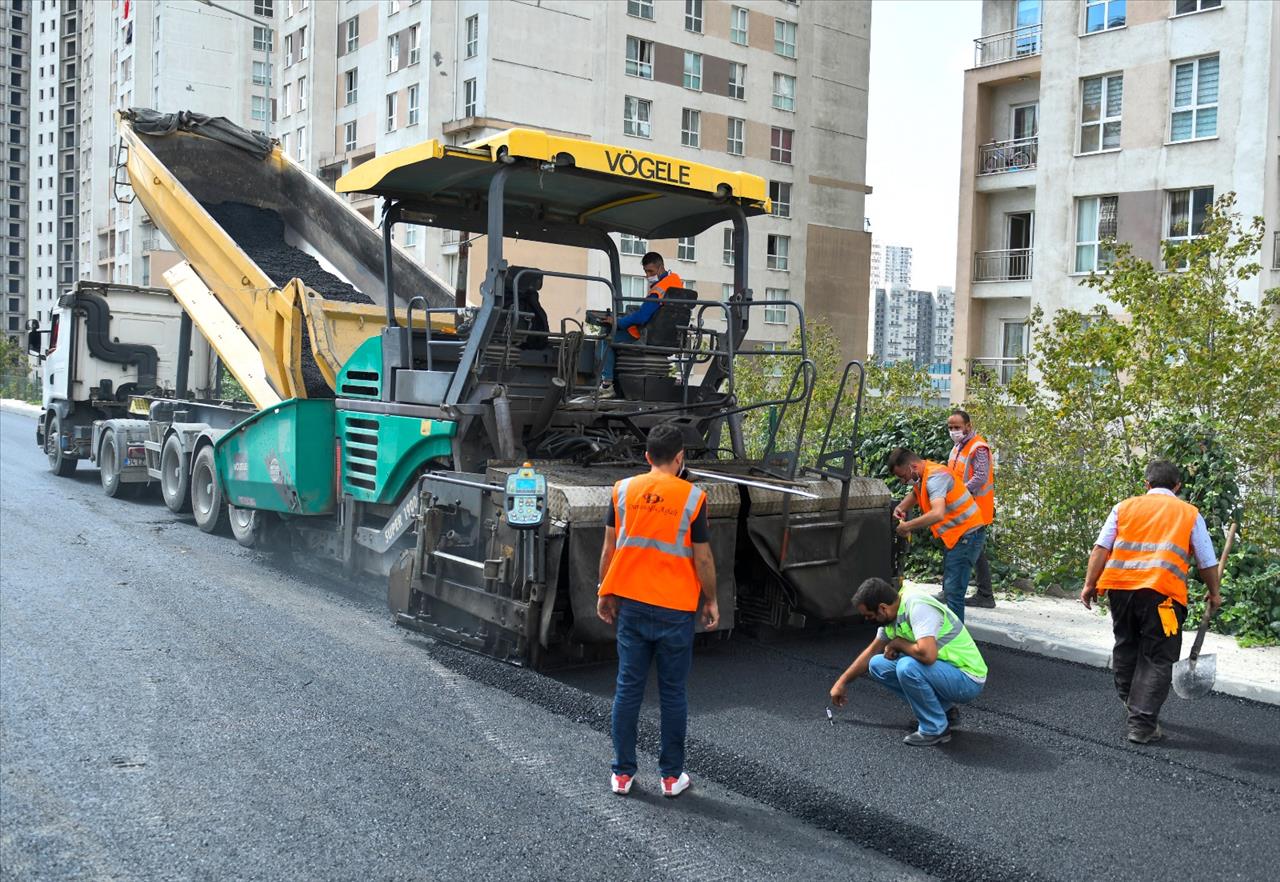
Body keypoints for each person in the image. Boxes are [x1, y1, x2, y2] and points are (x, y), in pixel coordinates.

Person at [597, 421, 719, 797]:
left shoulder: (622, 491)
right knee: (672, 694)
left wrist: (605, 591)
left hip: (631, 606)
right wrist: (711, 599)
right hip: (674, 611)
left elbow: (609, 550)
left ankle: (622, 774)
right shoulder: (692, 498)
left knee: (627, 690)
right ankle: (670, 777)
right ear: (680, 458)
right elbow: (702, 559)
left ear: (647, 456)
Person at [1080, 460, 1221, 744]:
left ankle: (1130, 701)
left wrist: (1089, 584)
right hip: (1163, 596)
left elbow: (1101, 548)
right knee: (1159, 656)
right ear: (1178, 486)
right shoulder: (1189, 513)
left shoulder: (1124, 507)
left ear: (1146, 484)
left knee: (1126, 643)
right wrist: (1214, 592)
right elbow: (1206, 561)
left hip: (1120, 591)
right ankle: (1142, 724)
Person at [829, 577, 988, 747]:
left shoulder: (918, 607)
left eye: (870, 616)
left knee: (907, 667)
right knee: (877, 664)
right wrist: (842, 682)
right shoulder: (894, 613)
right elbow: (871, 652)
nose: (868, 620)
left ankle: (935, 729)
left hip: (968, 678)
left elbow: (928, 656)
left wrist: (898, 643)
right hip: (946, 672)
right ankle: (944, 711)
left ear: (882, 608)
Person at [888, 447, 987, 622]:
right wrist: (901, 507)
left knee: (954, 592)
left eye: (903, 476)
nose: (903, 481)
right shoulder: (924, 474)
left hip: (967, 536)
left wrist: (907, 526)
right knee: (952, 590)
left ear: (913, 466)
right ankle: (954, 635)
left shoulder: (935, 478)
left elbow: (937, 514)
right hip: (959, 536)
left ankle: (956, 640)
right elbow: (916, 493)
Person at [594, 252, 684, 399]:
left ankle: (607, 384)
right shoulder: (675, 281)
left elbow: (642, 317)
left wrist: (618, 322)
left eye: (651, 271)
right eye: (646, 272)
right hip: (667, 335)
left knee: (606, 338)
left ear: (660, 267)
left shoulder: (657, 290)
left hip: (645, 334)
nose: (648, 276)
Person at [946, 409, 996, 609]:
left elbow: (980, 477)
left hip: (974, 508)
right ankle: (981, 593)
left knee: (971, 550)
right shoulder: (958, 446)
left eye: (957, 427)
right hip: (963, 507)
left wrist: (959, 492)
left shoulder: (978, 447)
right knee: (971, 550)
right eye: (950, 427)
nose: (953, 431)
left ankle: (983, 594)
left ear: (968, 426)